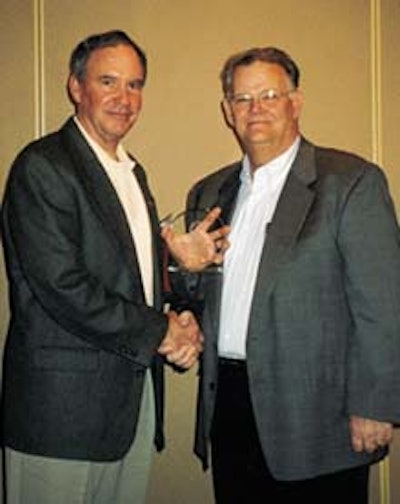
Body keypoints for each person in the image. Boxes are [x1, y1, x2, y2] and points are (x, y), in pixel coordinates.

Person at [0, 30, 228, 504]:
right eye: (109, 82)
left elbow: (126, 278)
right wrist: (163, 331)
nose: (124, 99)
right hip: (60, 416)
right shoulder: (43, 166)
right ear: (76, 87)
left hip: (130, 404)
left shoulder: (131, 171)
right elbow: (63, 287)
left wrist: (176, 272)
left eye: (135, 84)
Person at [184, 46, 400, 503]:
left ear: (295, 103)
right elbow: (197, 298)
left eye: (268, 94)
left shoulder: (350, 182)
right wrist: (181, 269)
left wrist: (376, 405)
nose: (255, 109)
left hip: (320, 416)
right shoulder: (208, 191)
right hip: (230, 408)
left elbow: (384, 304)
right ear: (227, 112)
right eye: (242, 99)